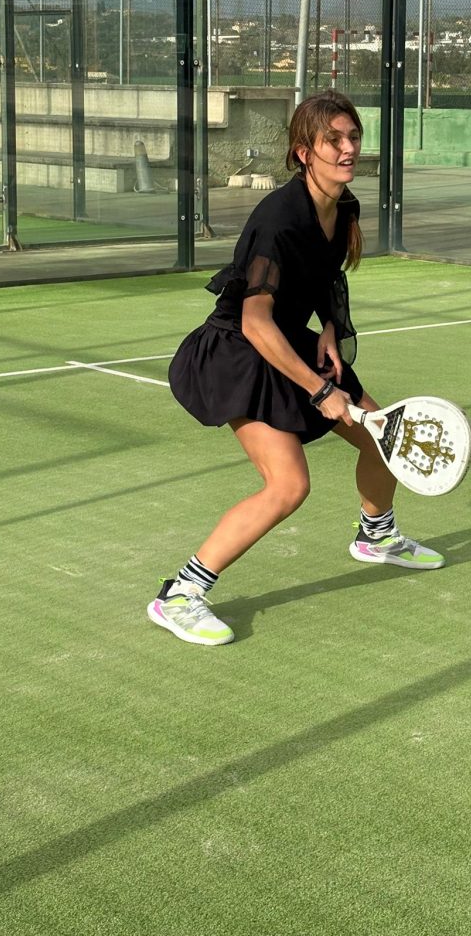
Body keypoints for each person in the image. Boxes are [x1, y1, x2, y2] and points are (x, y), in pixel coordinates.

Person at [148, 90, 444, 646]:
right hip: (240, 352)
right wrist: (320, 390)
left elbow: (326, 274)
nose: (348, 148)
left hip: (290, 341)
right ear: (304, 152)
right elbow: (256, 321)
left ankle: (376, 535)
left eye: (353, 136)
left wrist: (329, 325)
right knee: (288, 486)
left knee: (383, 439)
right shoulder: (278, 220)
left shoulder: (343, 205)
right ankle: (180, 594)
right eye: (333, 140)